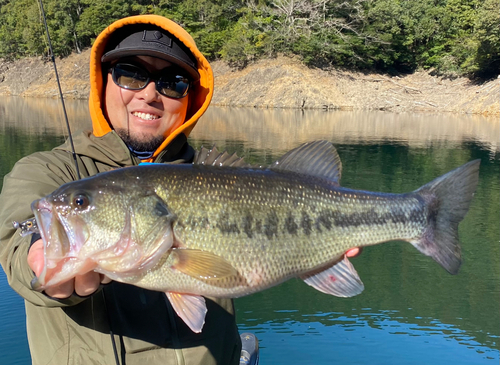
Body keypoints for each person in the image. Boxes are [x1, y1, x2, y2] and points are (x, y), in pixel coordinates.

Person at [0, 14, 361, 365]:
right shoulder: (47, 171)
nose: (150, 94)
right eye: (130, 75)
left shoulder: (213, 171)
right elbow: (18, 239)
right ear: (103, 82)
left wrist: (319, 250)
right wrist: (38, 256)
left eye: (172, 83)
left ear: (191, 98)